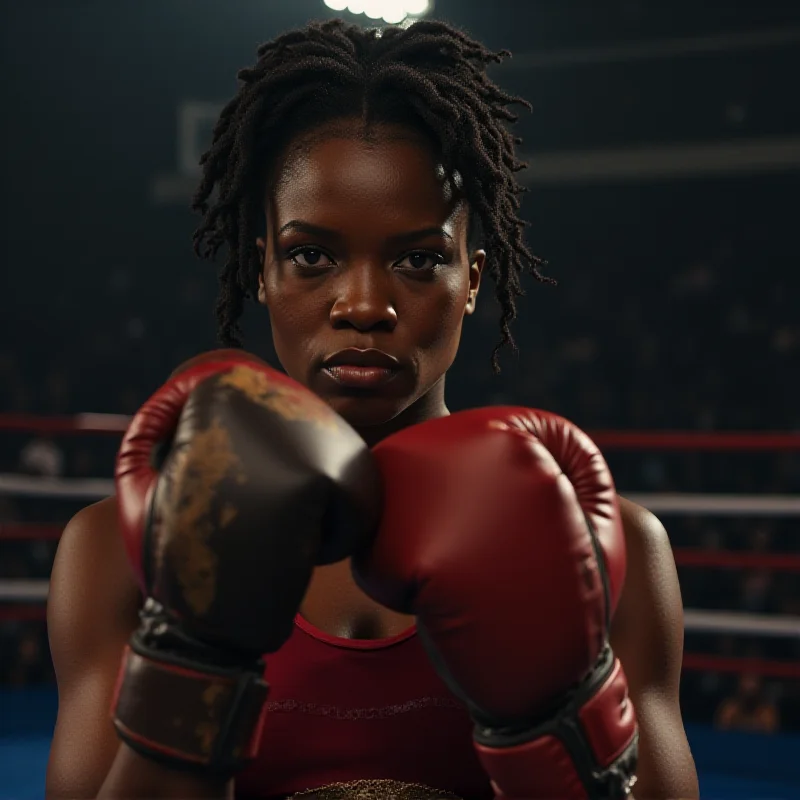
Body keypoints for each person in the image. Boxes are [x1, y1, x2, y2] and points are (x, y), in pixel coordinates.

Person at [45, 18, 699, 800]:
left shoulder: (612, 546)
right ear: (263, 271)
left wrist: (562, 706)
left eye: (419, 259)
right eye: (312, 255)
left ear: (474, 279)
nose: (363, 305)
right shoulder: (117, 554)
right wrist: (192, 656)